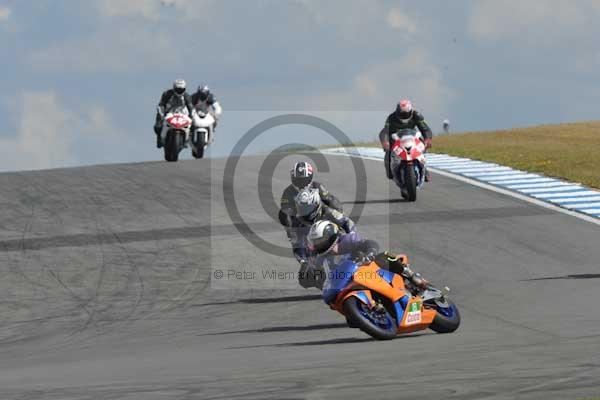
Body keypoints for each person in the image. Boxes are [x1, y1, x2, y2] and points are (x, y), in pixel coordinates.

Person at [302, 220, 429, 291]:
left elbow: (370, 243)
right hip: (350, 283)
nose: (319, 245)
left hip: (368, 269)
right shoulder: (321, 259)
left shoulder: (348, 240)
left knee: (383, 256)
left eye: (321, 241)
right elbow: (306, 280)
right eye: (317, 243)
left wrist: (369, 254)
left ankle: (412, 276)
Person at [287, 187, 353, 281]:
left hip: (335, 242)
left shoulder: (328, 212)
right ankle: (325, 284)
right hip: (316, 249)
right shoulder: (296, 222)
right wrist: (303, 262)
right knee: (304, 278)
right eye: (301, 208)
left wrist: (351, 235)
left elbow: (347, 222)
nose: (304, 212)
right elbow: (297, 245)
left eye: (307, 208)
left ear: (316, 204)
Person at [278, 161, 343, 241]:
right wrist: (290, 231)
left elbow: (331, 200)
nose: (301, 183)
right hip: (299, 222)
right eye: (298, 180)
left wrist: (339, 217)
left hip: (318, 217)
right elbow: (284, 212)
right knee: (283, 214)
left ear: (310, 178)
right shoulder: (288, 192)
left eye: (304, 180)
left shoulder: (316, 186)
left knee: (338, 229)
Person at [378, 99, 433, 181]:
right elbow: (384, 132)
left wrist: (427, 139)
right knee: (388, 151)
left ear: (410, 111)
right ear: (397, 112)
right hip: (395, 138)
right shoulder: (391, 118)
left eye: (406, 114)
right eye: (402, 114)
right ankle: (389, 169)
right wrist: (385, 142)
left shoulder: (417, 115)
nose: (404, 116)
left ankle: (425, 168)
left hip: (412, 137)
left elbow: (425, 129)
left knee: (422, 145)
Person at [154, 79, 195, 148]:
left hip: (182, 114)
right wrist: (161, 113)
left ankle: (188, 139)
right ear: (174, 88)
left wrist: (192, 115)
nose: (179, 92)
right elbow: (161, 104)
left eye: (181, 90)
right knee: (158, 125)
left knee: (193, 124)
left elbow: (191, 107)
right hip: (169, 112)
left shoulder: (187, 96)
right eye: (178, 90)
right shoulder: (167, 94)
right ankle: (159, 138)